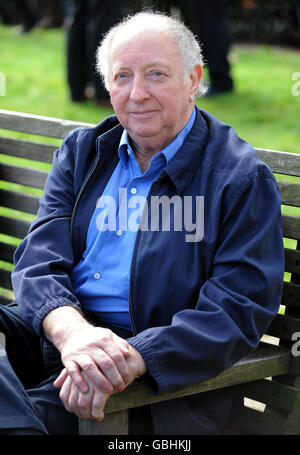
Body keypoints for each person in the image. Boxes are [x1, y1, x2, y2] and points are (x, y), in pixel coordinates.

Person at [0, 11, 284, 435]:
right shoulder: (85, 152)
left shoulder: (238, 178)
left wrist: (129, 358)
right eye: (122, 76)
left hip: (151, 375)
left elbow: (235, 310)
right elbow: (39, 259)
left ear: (193, 79)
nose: (137, 94)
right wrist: (73, 334)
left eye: (156, 74)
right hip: (65, 330)